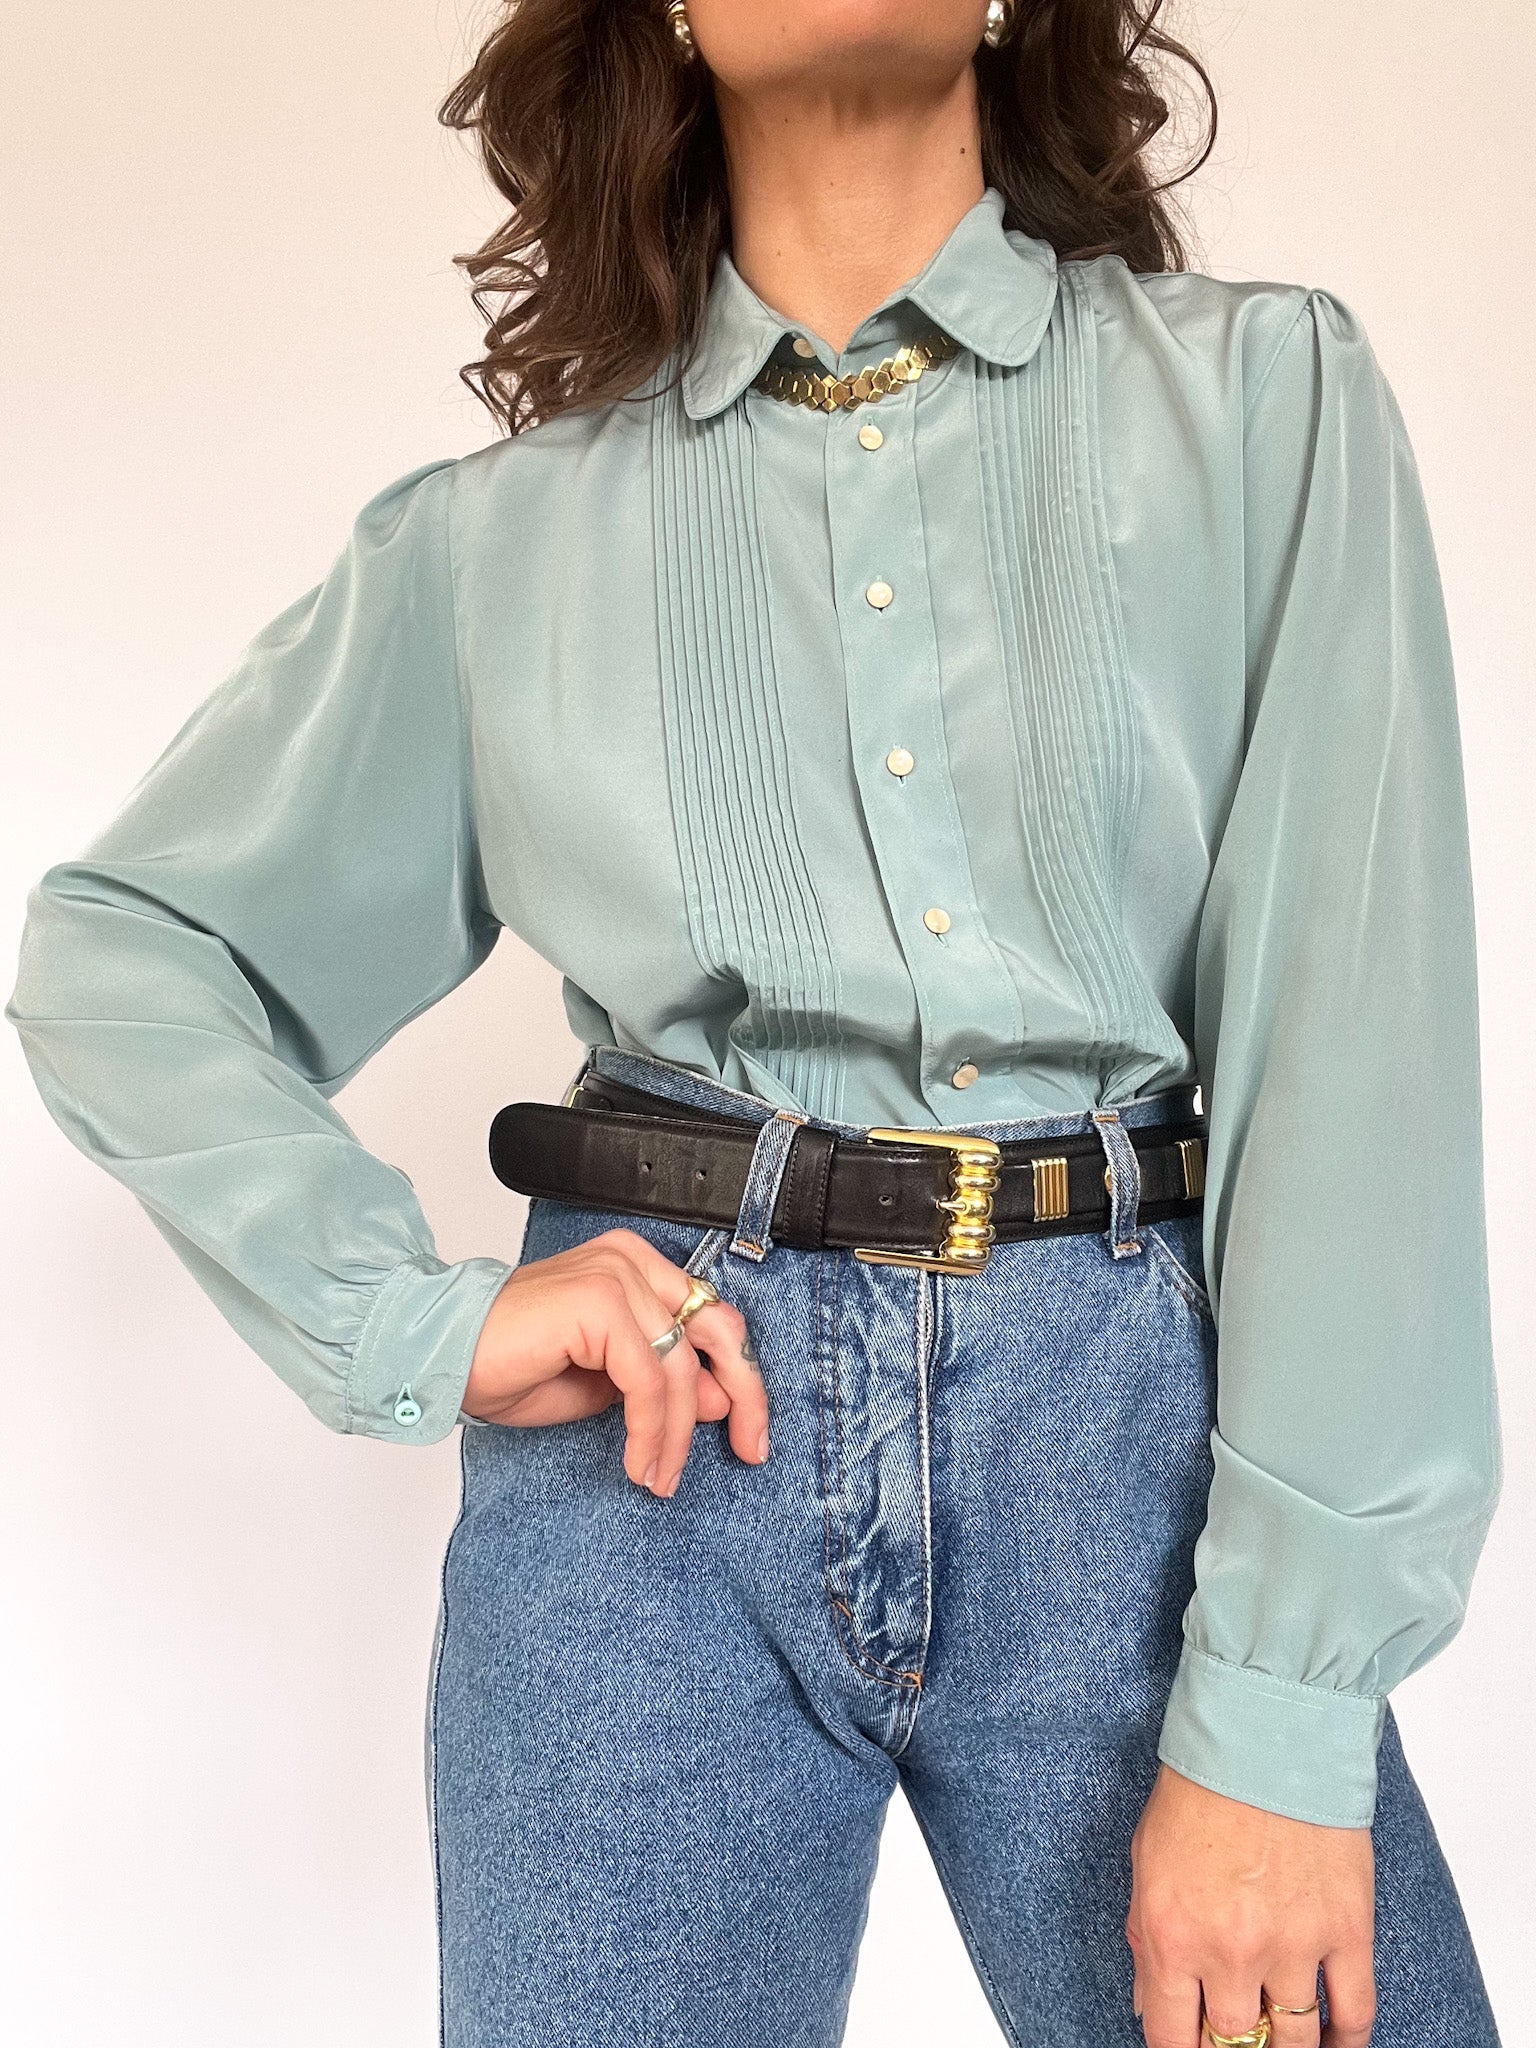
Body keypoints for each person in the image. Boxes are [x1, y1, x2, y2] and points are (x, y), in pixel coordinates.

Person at [7, 2, 1504, 2044]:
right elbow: (129, 948)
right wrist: (417, 1322)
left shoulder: (1261, 403)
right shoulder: (494, 545)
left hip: (1133, 1458)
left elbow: (1355, 1063)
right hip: (655, 1466)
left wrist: (1286, 1712)